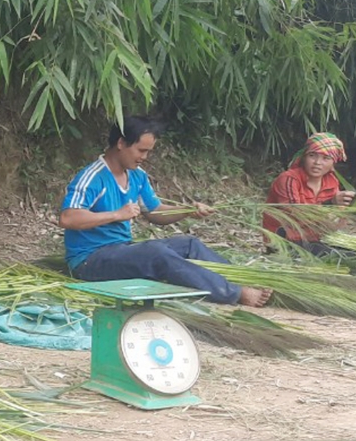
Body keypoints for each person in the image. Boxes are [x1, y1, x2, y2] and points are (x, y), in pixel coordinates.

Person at [59, 116, 272, 307]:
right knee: (157, 254)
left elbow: (155, 212)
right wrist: (116, 215)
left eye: (148, 151)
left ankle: (238, 279)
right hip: (90, 261)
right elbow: (68, 218)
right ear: (121, 143)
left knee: (189, 244)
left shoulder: (137, 175)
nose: (144, 157)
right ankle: (233, 293)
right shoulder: (93, 177)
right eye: (141, 150)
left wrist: (187, 211)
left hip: (122, 250)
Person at [263, 132, 355, 257]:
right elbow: (297, 215)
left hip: (314, 240)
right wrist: (329, 203)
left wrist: (342, 214)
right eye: (312, 155)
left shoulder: (331, 182)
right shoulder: (289, 179)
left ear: (333, 162)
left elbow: (332, 224)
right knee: (339, 257)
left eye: (326, 158)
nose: (317, 162)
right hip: (284, 241)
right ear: (304, 157)